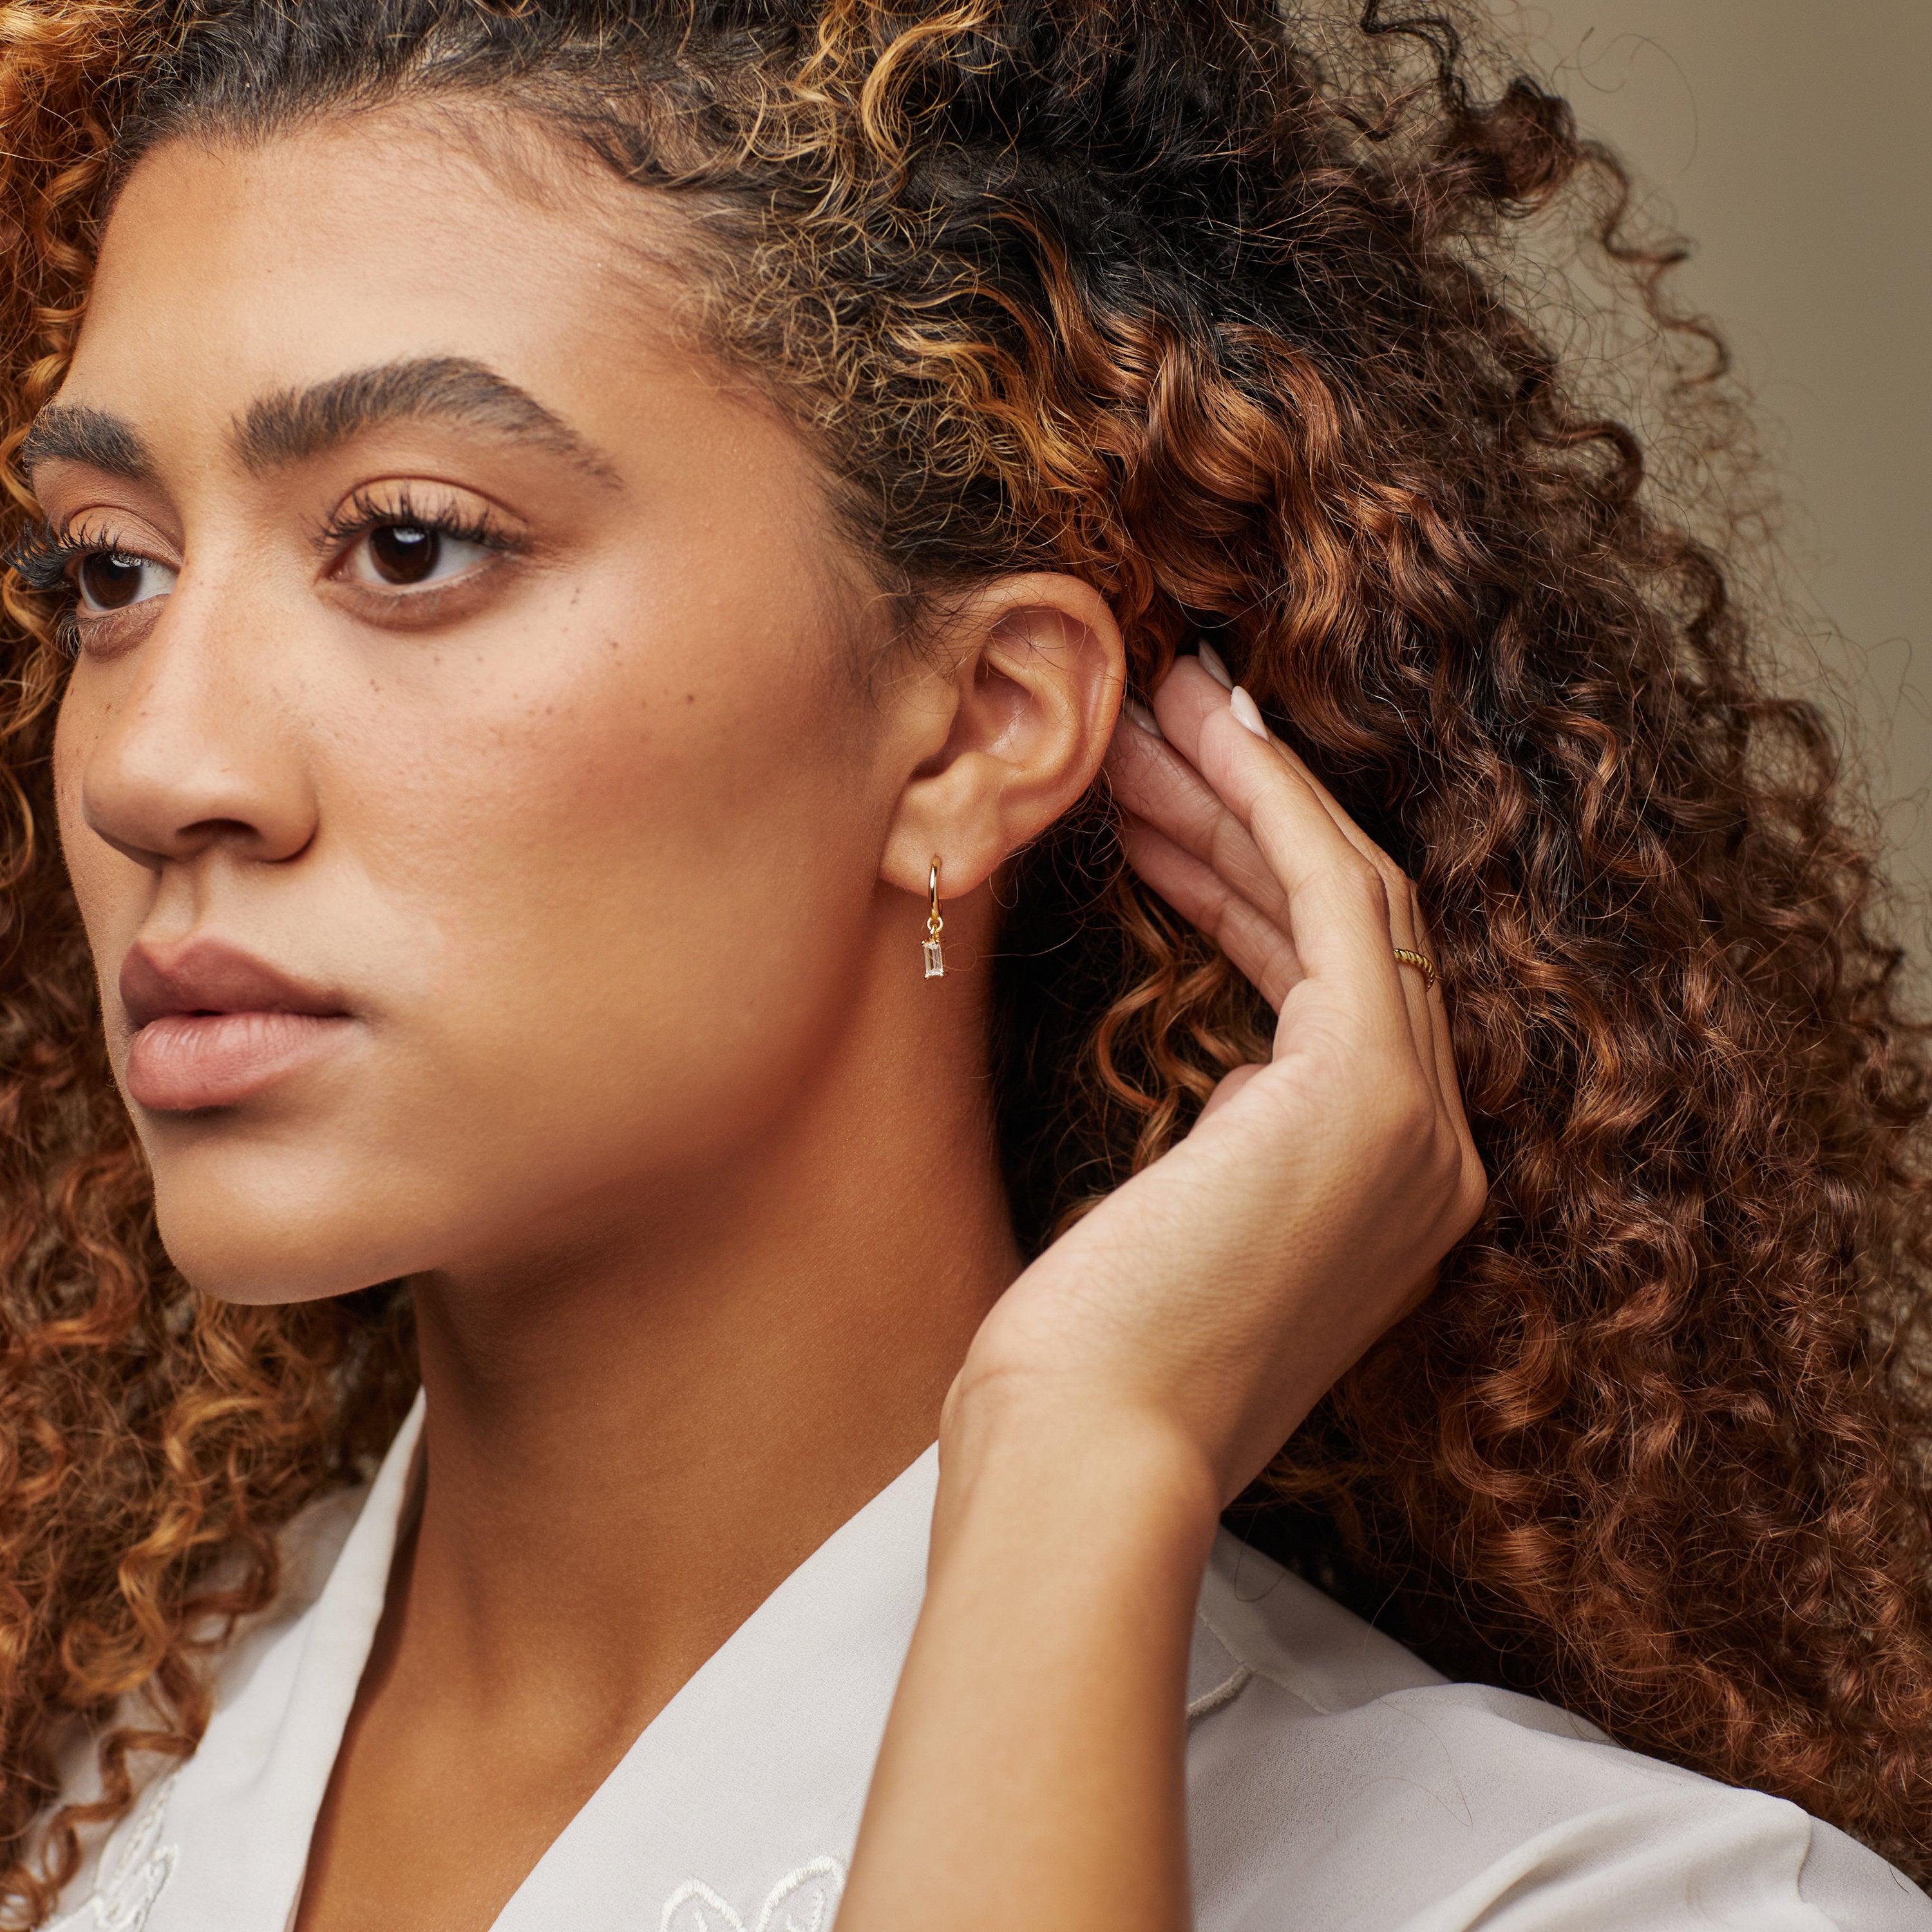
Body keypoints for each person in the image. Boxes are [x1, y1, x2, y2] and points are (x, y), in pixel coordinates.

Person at [2, 1, 1929, 1926]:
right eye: (106, 570)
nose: (164, 767)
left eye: (410, 545)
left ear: (973, 730)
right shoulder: (72, 1777)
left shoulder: (1605, 1907)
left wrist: (1081, 1469)